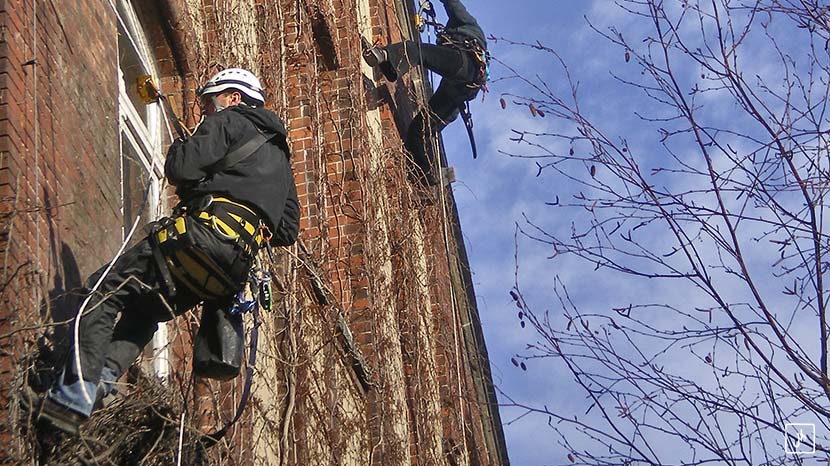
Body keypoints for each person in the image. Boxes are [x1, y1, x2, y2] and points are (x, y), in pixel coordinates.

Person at [24, 68, 299, 435]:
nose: (206, 112)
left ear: (233, 98)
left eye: (209, 103)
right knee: (144, 312)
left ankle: (75, 393)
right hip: (227, 273)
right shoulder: (281, 159)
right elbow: (287, 229)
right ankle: (99, 384)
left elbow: (181, 168)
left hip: (195, 242)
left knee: (101, 291)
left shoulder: (229, 122)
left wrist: (187, 151)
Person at [363, 0, 488, 187]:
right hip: (461, 90)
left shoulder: (467, 25)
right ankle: (424, 178)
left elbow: (453, 5)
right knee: (419, 130)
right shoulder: (458, 66)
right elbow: (451, 107)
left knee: (416, 50)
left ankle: (383, 55)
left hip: (465, 65)